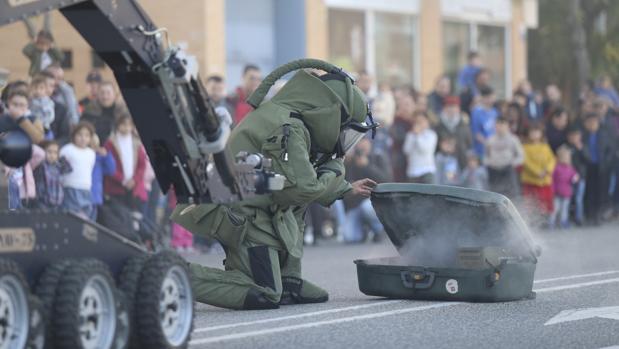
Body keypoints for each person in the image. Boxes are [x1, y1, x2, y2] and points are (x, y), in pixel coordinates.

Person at [171, 67, 377, 310]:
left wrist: (343, 188)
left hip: (255, 209)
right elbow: (304, 187)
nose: (345, 140)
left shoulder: (292, 119)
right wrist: (335, 171)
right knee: (266, 294)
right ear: (331, 113)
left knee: (294, 205)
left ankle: (289, 279)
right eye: (346, 128)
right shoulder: (288, 127)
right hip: (239, 213)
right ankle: (173, 275)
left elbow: (292, 183)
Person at [341, 138, 386, 243]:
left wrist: (367, 166)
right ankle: (364, 230)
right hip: (355, 205)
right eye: (360, 144)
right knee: (350, 237)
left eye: (366, 144)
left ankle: (378, 230)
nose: (363, 147)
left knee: (366, 208)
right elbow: (345, 184)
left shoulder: (378, 157)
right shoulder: (350, 161)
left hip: (372, 202)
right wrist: (347, 163)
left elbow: (385, 179)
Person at [103, 115, 148, 210]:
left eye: (129, 125)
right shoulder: (110, 143)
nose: (126, 128)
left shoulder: (137, 143)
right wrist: (122, 179)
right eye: (123, 124)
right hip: (115, 188)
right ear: (118, 125)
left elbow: (142, 165)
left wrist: (134, 180)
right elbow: (108, 165)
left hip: (134, 188)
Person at [582, 113, 615, 224]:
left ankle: (597, 215)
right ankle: (589, 215)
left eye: (594, 122)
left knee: (600, 192)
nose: (592, 125)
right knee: (589, 191)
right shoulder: (583, 135)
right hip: (588, 167)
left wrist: (606, 162)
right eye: (590, 123)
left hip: (601, 167)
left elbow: (610, 151)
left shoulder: (604, 134)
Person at [60, 122, 97, 218]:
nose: (83, 138)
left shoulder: (91, 153)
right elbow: (60, 169)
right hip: (71, 187)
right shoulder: (67, 150)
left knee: (86, 215)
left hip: (86, 188)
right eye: (80, 134)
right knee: (72, 215)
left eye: (87, 135)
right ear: (74, 136)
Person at [521, 123, 556, 218]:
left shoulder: (545, 147)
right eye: (532, 132)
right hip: (531, 181)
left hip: (545, 181)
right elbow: (526, 162)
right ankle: (532, 220)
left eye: (537, 132)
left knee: (544, 201)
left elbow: (552, 159)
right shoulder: (525, 147)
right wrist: (537, 172)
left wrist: (548, 170)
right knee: (531, 202)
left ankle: (544, 219)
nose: (534, 134)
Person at [484, 117, 524, 198]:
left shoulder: (513, 139)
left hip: (508, 170)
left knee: (512, 195)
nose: (500, 127)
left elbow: (521, 156)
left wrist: (513, 164)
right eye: (498, 125)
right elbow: (486, 156)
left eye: (502, 125)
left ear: (507, 126)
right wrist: (488, 163)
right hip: (494, 171)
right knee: (494, 195)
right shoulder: (490, 140)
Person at [434, 95, 472, 169]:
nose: (451, 110)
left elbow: (469, 145)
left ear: (458, 109)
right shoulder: (438, 126)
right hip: (443, 165)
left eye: (454, 107)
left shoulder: (464, 125)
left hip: (462, 164)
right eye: (449, 106)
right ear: (444, 108)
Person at [33, 140, 71, 209]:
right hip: (43, 202)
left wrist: (62, 159)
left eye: (55, 153)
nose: (52, 155)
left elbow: (68, 169)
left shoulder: (58, 166)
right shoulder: (41, 165)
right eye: (49, 152)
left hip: (57, 202)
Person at [403, 111, 437, 184]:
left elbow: (424, 149)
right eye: (417, 122)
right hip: (413, 171)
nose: (419, 124)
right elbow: (406, 150)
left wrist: (418, 136)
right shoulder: (410, 135)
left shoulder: (431, 135)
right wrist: (413, 136)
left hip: (426, 171)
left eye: (421, 121)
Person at [549, 145, 579, 229]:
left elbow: (574, 176)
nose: (566, 159)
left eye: (568, 157)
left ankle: (563, 221)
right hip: (557, 192)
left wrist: (575, 178)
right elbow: (552, 179)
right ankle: (551, 221)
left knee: (564, 208)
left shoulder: (570, 168)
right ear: (559, 158)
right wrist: (552, 190)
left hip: (566, 192)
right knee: (555, 208)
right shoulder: (556, 168)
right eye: (564, 157)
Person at [565, 126, 588, 225]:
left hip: (581, 177)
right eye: (572, 136)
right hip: (568, 178)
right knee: (568, 198)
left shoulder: (583, 147)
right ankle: (567, 217)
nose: (574, 138)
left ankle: (579, 218)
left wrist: (581, 150)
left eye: (577, 136)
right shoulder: (566, 147)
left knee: (579, 198)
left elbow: (588, 160)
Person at [389, 93, 415, 182]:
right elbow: (399, 137)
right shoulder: (397, 122)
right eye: (402, 105)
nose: (405, 108)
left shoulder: (417, 121)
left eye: (407, 105)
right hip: (400, 163)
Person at [90, 134, 115, 220]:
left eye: (95, 145)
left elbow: (111, 170)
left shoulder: (100, 159)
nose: (93, 147)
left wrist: (107, 156)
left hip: (95, 196)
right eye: (91, 145)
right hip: (83, 195)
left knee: (91, 223)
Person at [470, 86, 498, 159]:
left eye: (492, 97)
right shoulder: (476, 112)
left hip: (495, 150)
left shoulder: (495, 112)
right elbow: (476, 133)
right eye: (488, 97)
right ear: (483, 98)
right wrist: (487, 144)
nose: (491, 100)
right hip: (482, 151)